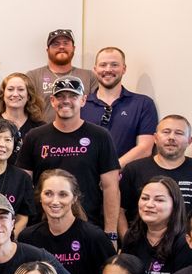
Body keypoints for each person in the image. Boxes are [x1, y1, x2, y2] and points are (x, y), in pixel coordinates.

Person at [18, 75, 121, 231]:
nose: (66, 101)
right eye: (60, 96)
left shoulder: (100, 136)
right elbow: (23, 186)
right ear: (52, 100)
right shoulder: (34, 136)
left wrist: (111, 232)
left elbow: (111, 187)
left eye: (73, 96)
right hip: (43, 226)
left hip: (89, 226)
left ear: (83, 100)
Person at [19, 168, 113, 274]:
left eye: (63, 194)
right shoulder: (28, 238)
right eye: (48, 194)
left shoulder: (94, 237)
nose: (55, 201)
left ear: (74, 198)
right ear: (40, 197)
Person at [121, 114, 192, 218]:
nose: (171, 137)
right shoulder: (133, 170)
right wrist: (126, 232)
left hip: (191, 232)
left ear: (189, 141)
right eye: (166, 132)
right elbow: (120, 210)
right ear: (155, 138)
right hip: (142, 232)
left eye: (179, 133)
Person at [79, 47, 157, 165]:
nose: (108, 69)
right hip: (87, 173)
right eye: (103, 65)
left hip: (127, 174)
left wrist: (112, 169)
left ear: (124, 69)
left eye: (114, 65)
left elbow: (145, 149)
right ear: (95, 70)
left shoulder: (143, 104)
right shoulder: (81, 105)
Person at [25, 28, 97, 97]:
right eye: (56, 44)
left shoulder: (89, 77)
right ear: (47, 50)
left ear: (73, 48)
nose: (61, 47)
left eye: (66, 43)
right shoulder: (33, 77)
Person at [0, 72, 46, 140]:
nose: (15, 94)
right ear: (3, 94)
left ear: (28, 96)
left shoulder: (40, 127)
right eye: (10, 89)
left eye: (21, 89)